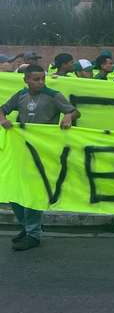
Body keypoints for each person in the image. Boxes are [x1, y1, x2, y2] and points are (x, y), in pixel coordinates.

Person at [0, 65, 80, 251]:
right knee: (14, 191)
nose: (41, 82)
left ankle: (33, 234)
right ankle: (27, 226)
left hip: (43, 152)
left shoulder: (54, 95)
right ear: (26, 80)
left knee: (34, 192)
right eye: (36, 79)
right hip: (21, 150)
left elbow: (75, 111)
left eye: (43, 78)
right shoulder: (20, 95)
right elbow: (2, 109)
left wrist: (68, 116)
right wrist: (3, 119)